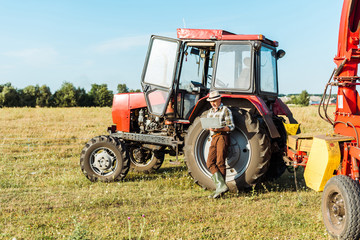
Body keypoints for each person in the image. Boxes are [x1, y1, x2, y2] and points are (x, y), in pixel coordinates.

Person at [206, 90, 235, 198]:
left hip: (222, 136)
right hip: (213, 137)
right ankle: (221, 186)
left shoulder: (225, 110)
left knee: (220, 162)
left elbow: (231, 126)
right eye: (211, 101)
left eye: (215, 101)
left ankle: (220, 191)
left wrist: (220, 128)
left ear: (219, 99)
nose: (213, 103)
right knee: (209, 162)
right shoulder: (210, 112)